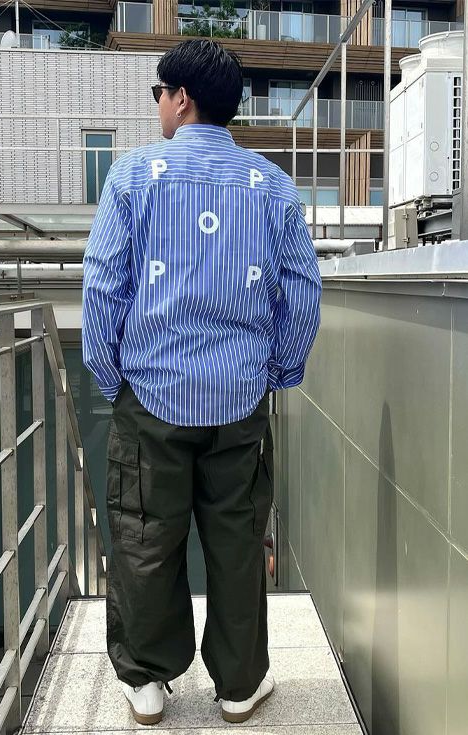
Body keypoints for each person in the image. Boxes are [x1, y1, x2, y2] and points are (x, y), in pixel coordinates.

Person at [82, 37, 321, 727]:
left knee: (144, 536)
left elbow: (102, 287)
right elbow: (303, 293)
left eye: (159, 93)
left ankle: (147, 680)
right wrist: (277, 371)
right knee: (238, 539)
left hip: (151, 394)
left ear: (181, 98)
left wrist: (111, 376)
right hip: (240, 398)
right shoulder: (273, 185)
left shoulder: (132, 176)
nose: (158, 104)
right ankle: (239, 686)